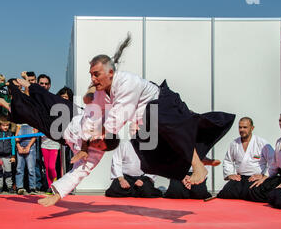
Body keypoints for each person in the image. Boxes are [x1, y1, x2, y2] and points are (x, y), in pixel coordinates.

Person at [84, 34, 235, 188]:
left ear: (110, 73)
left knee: (165, 123)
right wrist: (90, 95)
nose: (93, 78)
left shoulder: (127, 82)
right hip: (149, 121)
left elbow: (119, 113)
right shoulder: (102, 91)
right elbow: (91, 105)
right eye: (91, 75)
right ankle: (198, 156)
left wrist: (100, 133)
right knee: (149, 156)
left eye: (97, 74)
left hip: (163, 105)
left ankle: (198, 165)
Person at [0, 79, 120, 206]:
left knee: (29, 114)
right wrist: (94, 85)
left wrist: (58, 195)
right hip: (72, 113)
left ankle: (5, 103)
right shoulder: (103, 119)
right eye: (98, 140)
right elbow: (98, 99)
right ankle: (29, 85)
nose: (95, 143)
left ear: (102, 150)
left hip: (61, 134)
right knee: (47, 98)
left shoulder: (94, 157)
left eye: (97, 146)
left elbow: (77, 174)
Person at [247, 112, 281, 202]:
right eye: (280, 120)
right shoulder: (279, 141)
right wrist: (264, 178)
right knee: (255, 190)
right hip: (280, 175)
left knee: (278, 196)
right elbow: (274, 164)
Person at [217, 117, 274, 200]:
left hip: (255, 177)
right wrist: (230, 174)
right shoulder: (234, 143)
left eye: (245, 127)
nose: (242, 130)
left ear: (252, 128)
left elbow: (273, 160)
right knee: (226, 192)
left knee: (256, 193)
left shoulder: (261, 143)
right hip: (240, 178)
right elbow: (228, 160)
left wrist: (263, 175)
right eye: (240, 127)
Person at [0, 116, 16, 194]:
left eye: (7, 125)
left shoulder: (11, 134)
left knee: (8, 172)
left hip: (8, 156)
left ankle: (9, 187)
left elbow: (13, 144)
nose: (5, 127)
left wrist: (13, 156)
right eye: (3, 125)